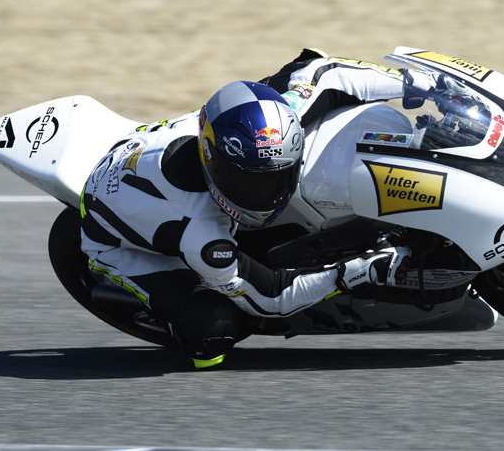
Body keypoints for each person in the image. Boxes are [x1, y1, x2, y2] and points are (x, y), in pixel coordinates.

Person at [79, 49, 444, 368]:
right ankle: (174, 313)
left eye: (278, 177)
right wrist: (356, 272)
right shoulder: (202, 234)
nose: (267, 194)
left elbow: (325, 73)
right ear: (215, 165)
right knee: (214, 330)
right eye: (249, 183)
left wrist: (414, 82)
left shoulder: (270, 132)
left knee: (296, 77)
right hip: (113, 239)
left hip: (155, 155)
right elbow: (272, 299)